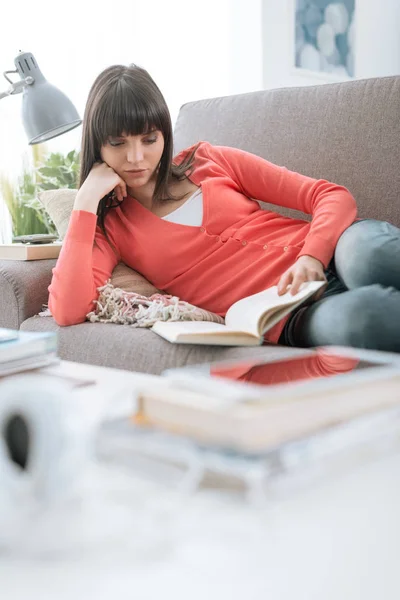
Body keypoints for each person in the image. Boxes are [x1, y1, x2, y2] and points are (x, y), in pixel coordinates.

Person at [48, 63, 400, 353]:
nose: (136, 157)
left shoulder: (209, 160)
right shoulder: (110, 229)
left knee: (369, 255)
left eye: (149, 138)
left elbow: (330, 195)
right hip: (292, 313)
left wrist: (312, 256)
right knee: (363, 319)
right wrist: (85, 202)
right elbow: (66, 310)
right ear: (98, 146)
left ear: (165, 134)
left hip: (335, 249)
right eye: (117, 143)